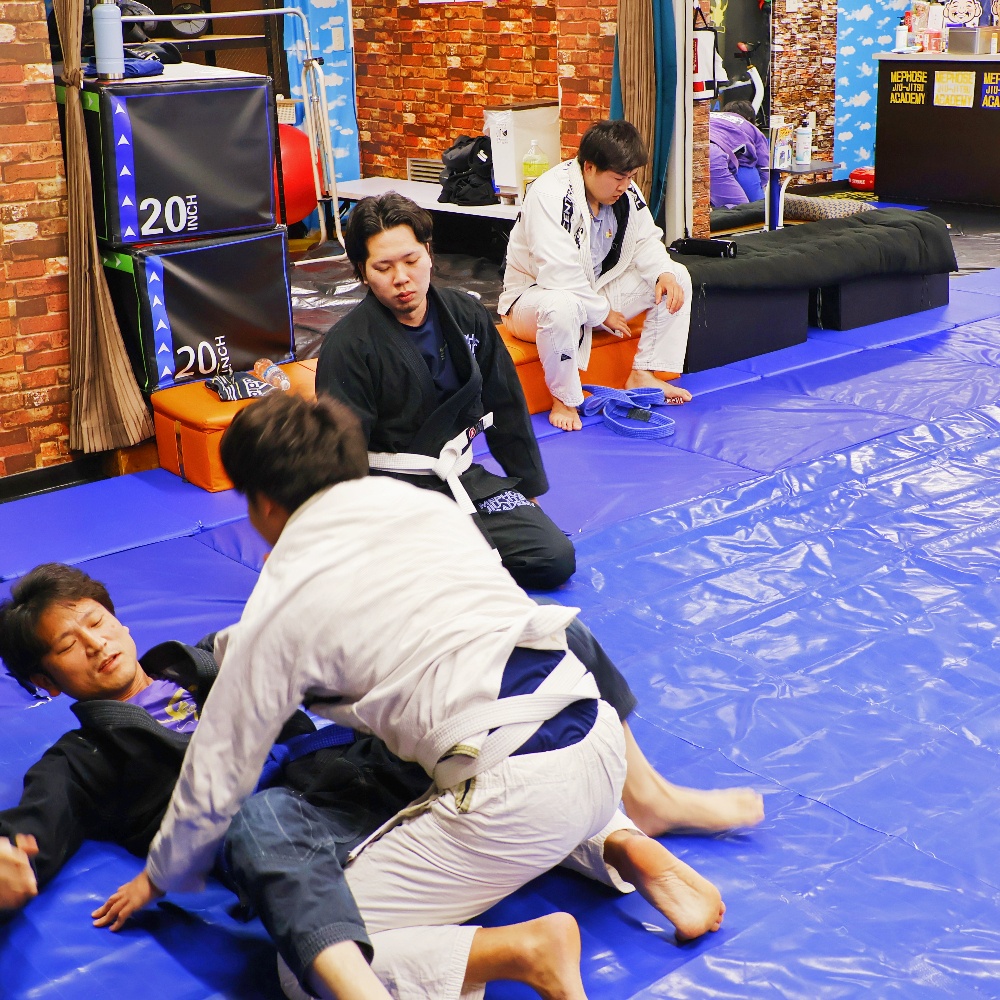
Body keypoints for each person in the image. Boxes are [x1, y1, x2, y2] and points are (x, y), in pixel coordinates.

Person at [92, 394, 737, 1000]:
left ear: (261, 504)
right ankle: (619, 840)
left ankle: (524, 950)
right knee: (484, 718)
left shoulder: (282, 601)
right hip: (598, 743)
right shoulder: (424, 506)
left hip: (512, 798)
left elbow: (216, 775)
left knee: (313, 955)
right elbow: (396, 618)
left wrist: (159, 874)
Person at [0, 562, 674, 1000]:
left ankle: (624, 832)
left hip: (364, 766)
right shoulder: (82, 757)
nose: (95, 644)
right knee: (283, 885)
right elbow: (29, 831)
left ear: (118, 617)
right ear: (44, 682)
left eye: (95, 622)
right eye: (67, 645)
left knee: (484, 680)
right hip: (293, 833)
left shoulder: (208, 657)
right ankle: (601, 851)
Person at [315, 192, 575, 592]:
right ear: (362, 272)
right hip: (392, 494)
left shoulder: (466, 314)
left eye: (411, 260)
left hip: (460, 476)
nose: (401, 278)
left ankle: (443, 562)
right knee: (388, 584)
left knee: (553, 556)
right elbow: (342, 458)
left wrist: (527, 487)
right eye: (383, 267)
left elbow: (504, 403)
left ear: (429, 253)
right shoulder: (348, 346)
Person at [500, 119, 693, 433]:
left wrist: (663, 273)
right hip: (532, 300)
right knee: (562, 306)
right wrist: (602, 312)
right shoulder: (550, 194)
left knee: (677, 277)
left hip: (591, 293)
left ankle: (643, 373)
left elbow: (646, 240)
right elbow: (558, 273)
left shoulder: (625, 193)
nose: (624, 185)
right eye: (618, 178)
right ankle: (563, 399)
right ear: (589, 167)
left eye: (630, 177)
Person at [709, 100, 770, 210]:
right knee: (743, 211)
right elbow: (765, 169)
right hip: (713, 155)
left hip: (684, 151)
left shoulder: (711, 115)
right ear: (751, 119)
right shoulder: (751, 128)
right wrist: (757, 188)